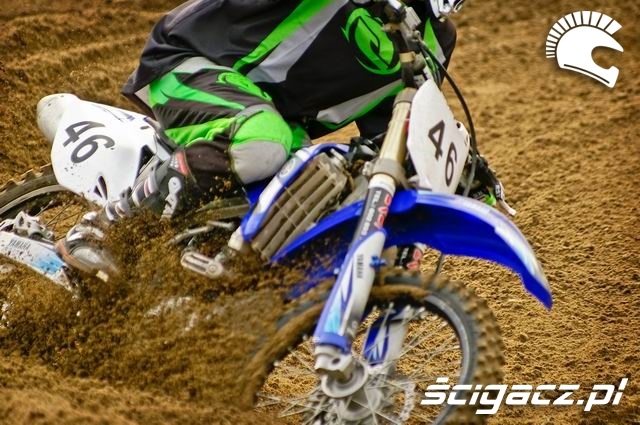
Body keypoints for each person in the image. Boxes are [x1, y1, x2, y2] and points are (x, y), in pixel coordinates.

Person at [57, 0, 476, 279]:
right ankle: (103, 227)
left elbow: (395, 132)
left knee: (323, 190)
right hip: (192, 63)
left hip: (274, 123)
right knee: (264, 141)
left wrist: (467, 176)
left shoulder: (435, 41)